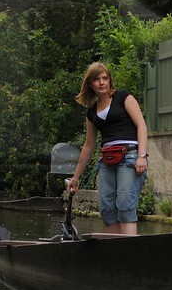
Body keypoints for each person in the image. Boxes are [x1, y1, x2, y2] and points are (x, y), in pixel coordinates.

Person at [64, 62, 149, 235]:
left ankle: (129, 253)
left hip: (130, 157)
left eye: (105, 78)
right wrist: (75, 177)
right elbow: (89, 146)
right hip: (107, 161)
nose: (102, 82)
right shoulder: (92, 113)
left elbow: (142, 125)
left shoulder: (124, 97)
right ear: (90, 83)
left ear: (110, 80)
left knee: (125, 205)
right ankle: (115, 253)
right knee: (107, 209)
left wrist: (142, 156)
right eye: (97, 79)